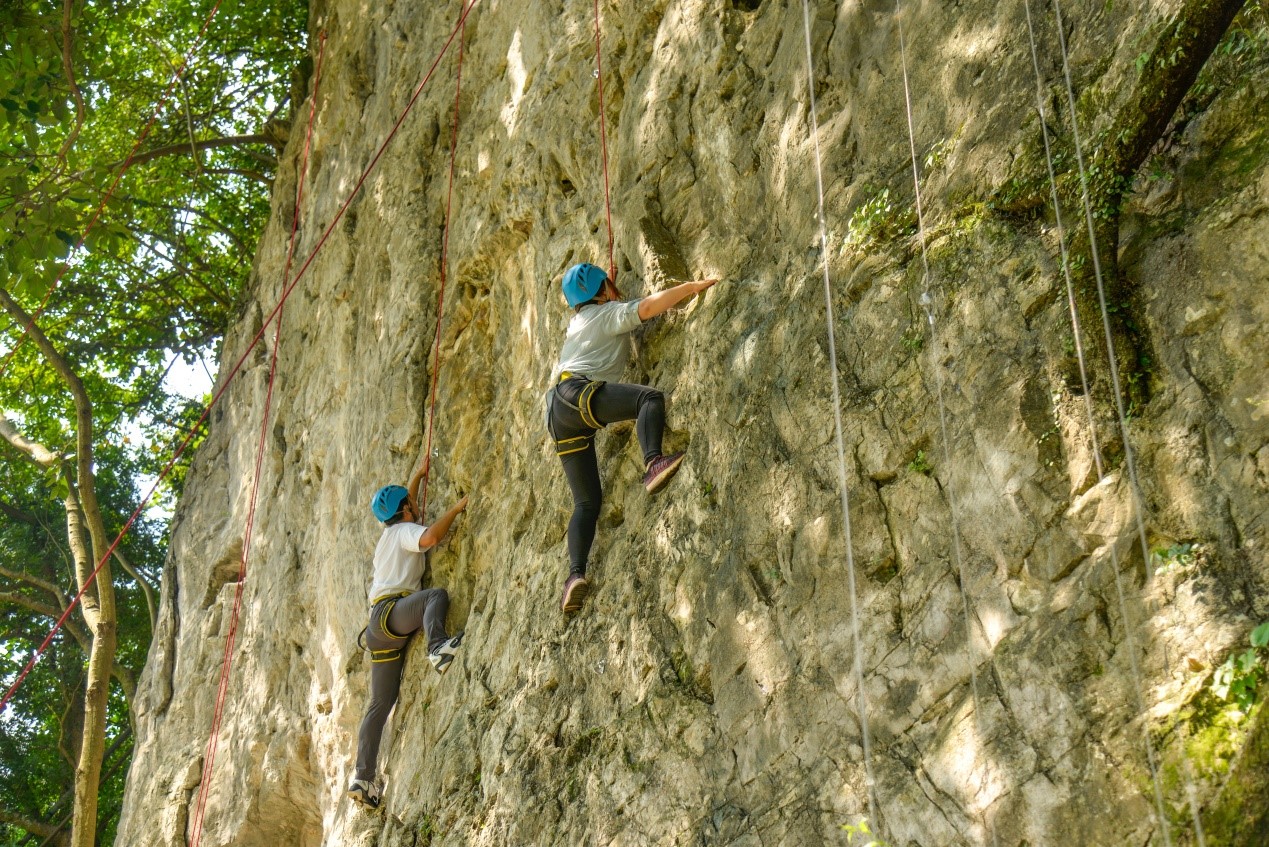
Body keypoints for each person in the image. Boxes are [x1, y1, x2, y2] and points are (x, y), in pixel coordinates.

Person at [545, 262, 717, 614]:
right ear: (604, 289)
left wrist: (607, 290)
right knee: (648, 399)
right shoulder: (608, 314)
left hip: (558, 413)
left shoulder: (577, 323)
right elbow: (649, 307)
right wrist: (690, 288)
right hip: (577, 394)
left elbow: (605, 311)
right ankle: (654, 462)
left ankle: (574, 576)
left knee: (586, 503)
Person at [347, 460, 467, 810]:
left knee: (379, 703)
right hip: (393, 615)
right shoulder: (404, 532)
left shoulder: (389, 534)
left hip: (377, 628)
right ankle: (438, 647)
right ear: (405, 511)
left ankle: (363, 777)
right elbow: (428, 536)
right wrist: (456, 509)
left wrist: (415, 479)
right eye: (413, 504)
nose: (418, 507)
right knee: (435, 596)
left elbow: (406, 512)